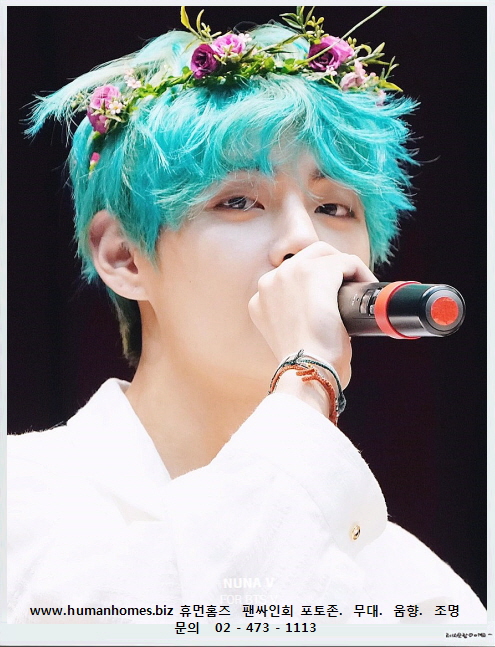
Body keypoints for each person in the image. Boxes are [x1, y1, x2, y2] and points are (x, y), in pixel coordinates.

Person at [7, 7, 486, 625]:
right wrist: (307, 378)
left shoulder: (419, 587)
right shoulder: (22, 497)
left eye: (335, 208)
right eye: (238, 201)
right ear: (124, 256)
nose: (304, 240)